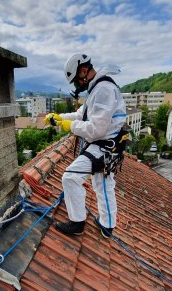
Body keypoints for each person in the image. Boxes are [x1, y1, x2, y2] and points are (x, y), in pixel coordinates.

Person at [44, 53, 127, 238]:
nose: (76, 86)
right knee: (103, 185)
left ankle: (77, 223)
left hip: (103, 145)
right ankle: (107, 226)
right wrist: (59, 119)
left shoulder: (104, 89)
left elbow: (96, 128)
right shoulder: (97, 88)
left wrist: (70, 126)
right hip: (107, 145)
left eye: (76, 81)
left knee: (70, 177)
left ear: (83, 71)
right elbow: (83, 114)